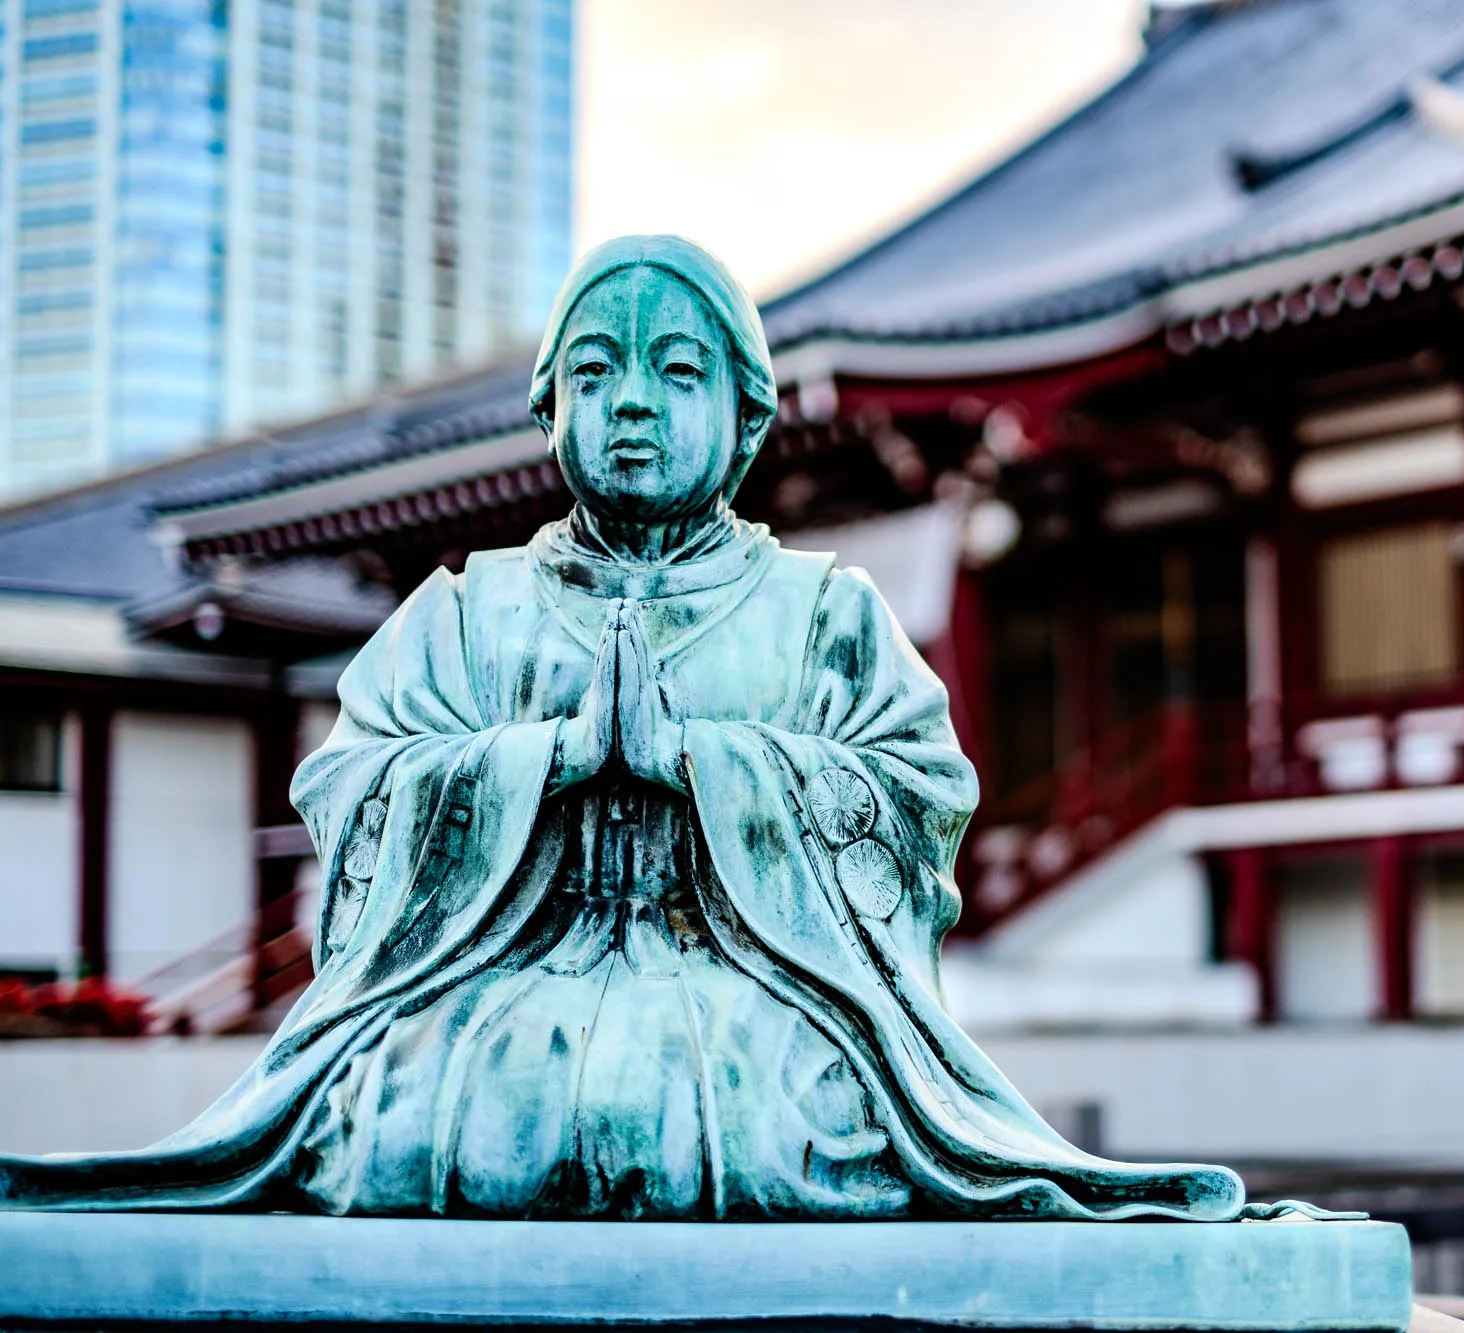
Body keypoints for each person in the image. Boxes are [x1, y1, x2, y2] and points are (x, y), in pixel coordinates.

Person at [0, 236, 1249, 1221]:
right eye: (595, 374)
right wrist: (540, 764)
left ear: (749, 425)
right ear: (549, 414)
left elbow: (918, 800)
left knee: (812, 1116)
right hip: (484, 1014)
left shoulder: (824, 614)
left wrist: (705, 767)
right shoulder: (463, 614)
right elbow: (353, 792)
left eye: (679, 373)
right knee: (405, 1107)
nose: (634, 404)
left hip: (763, 1011)